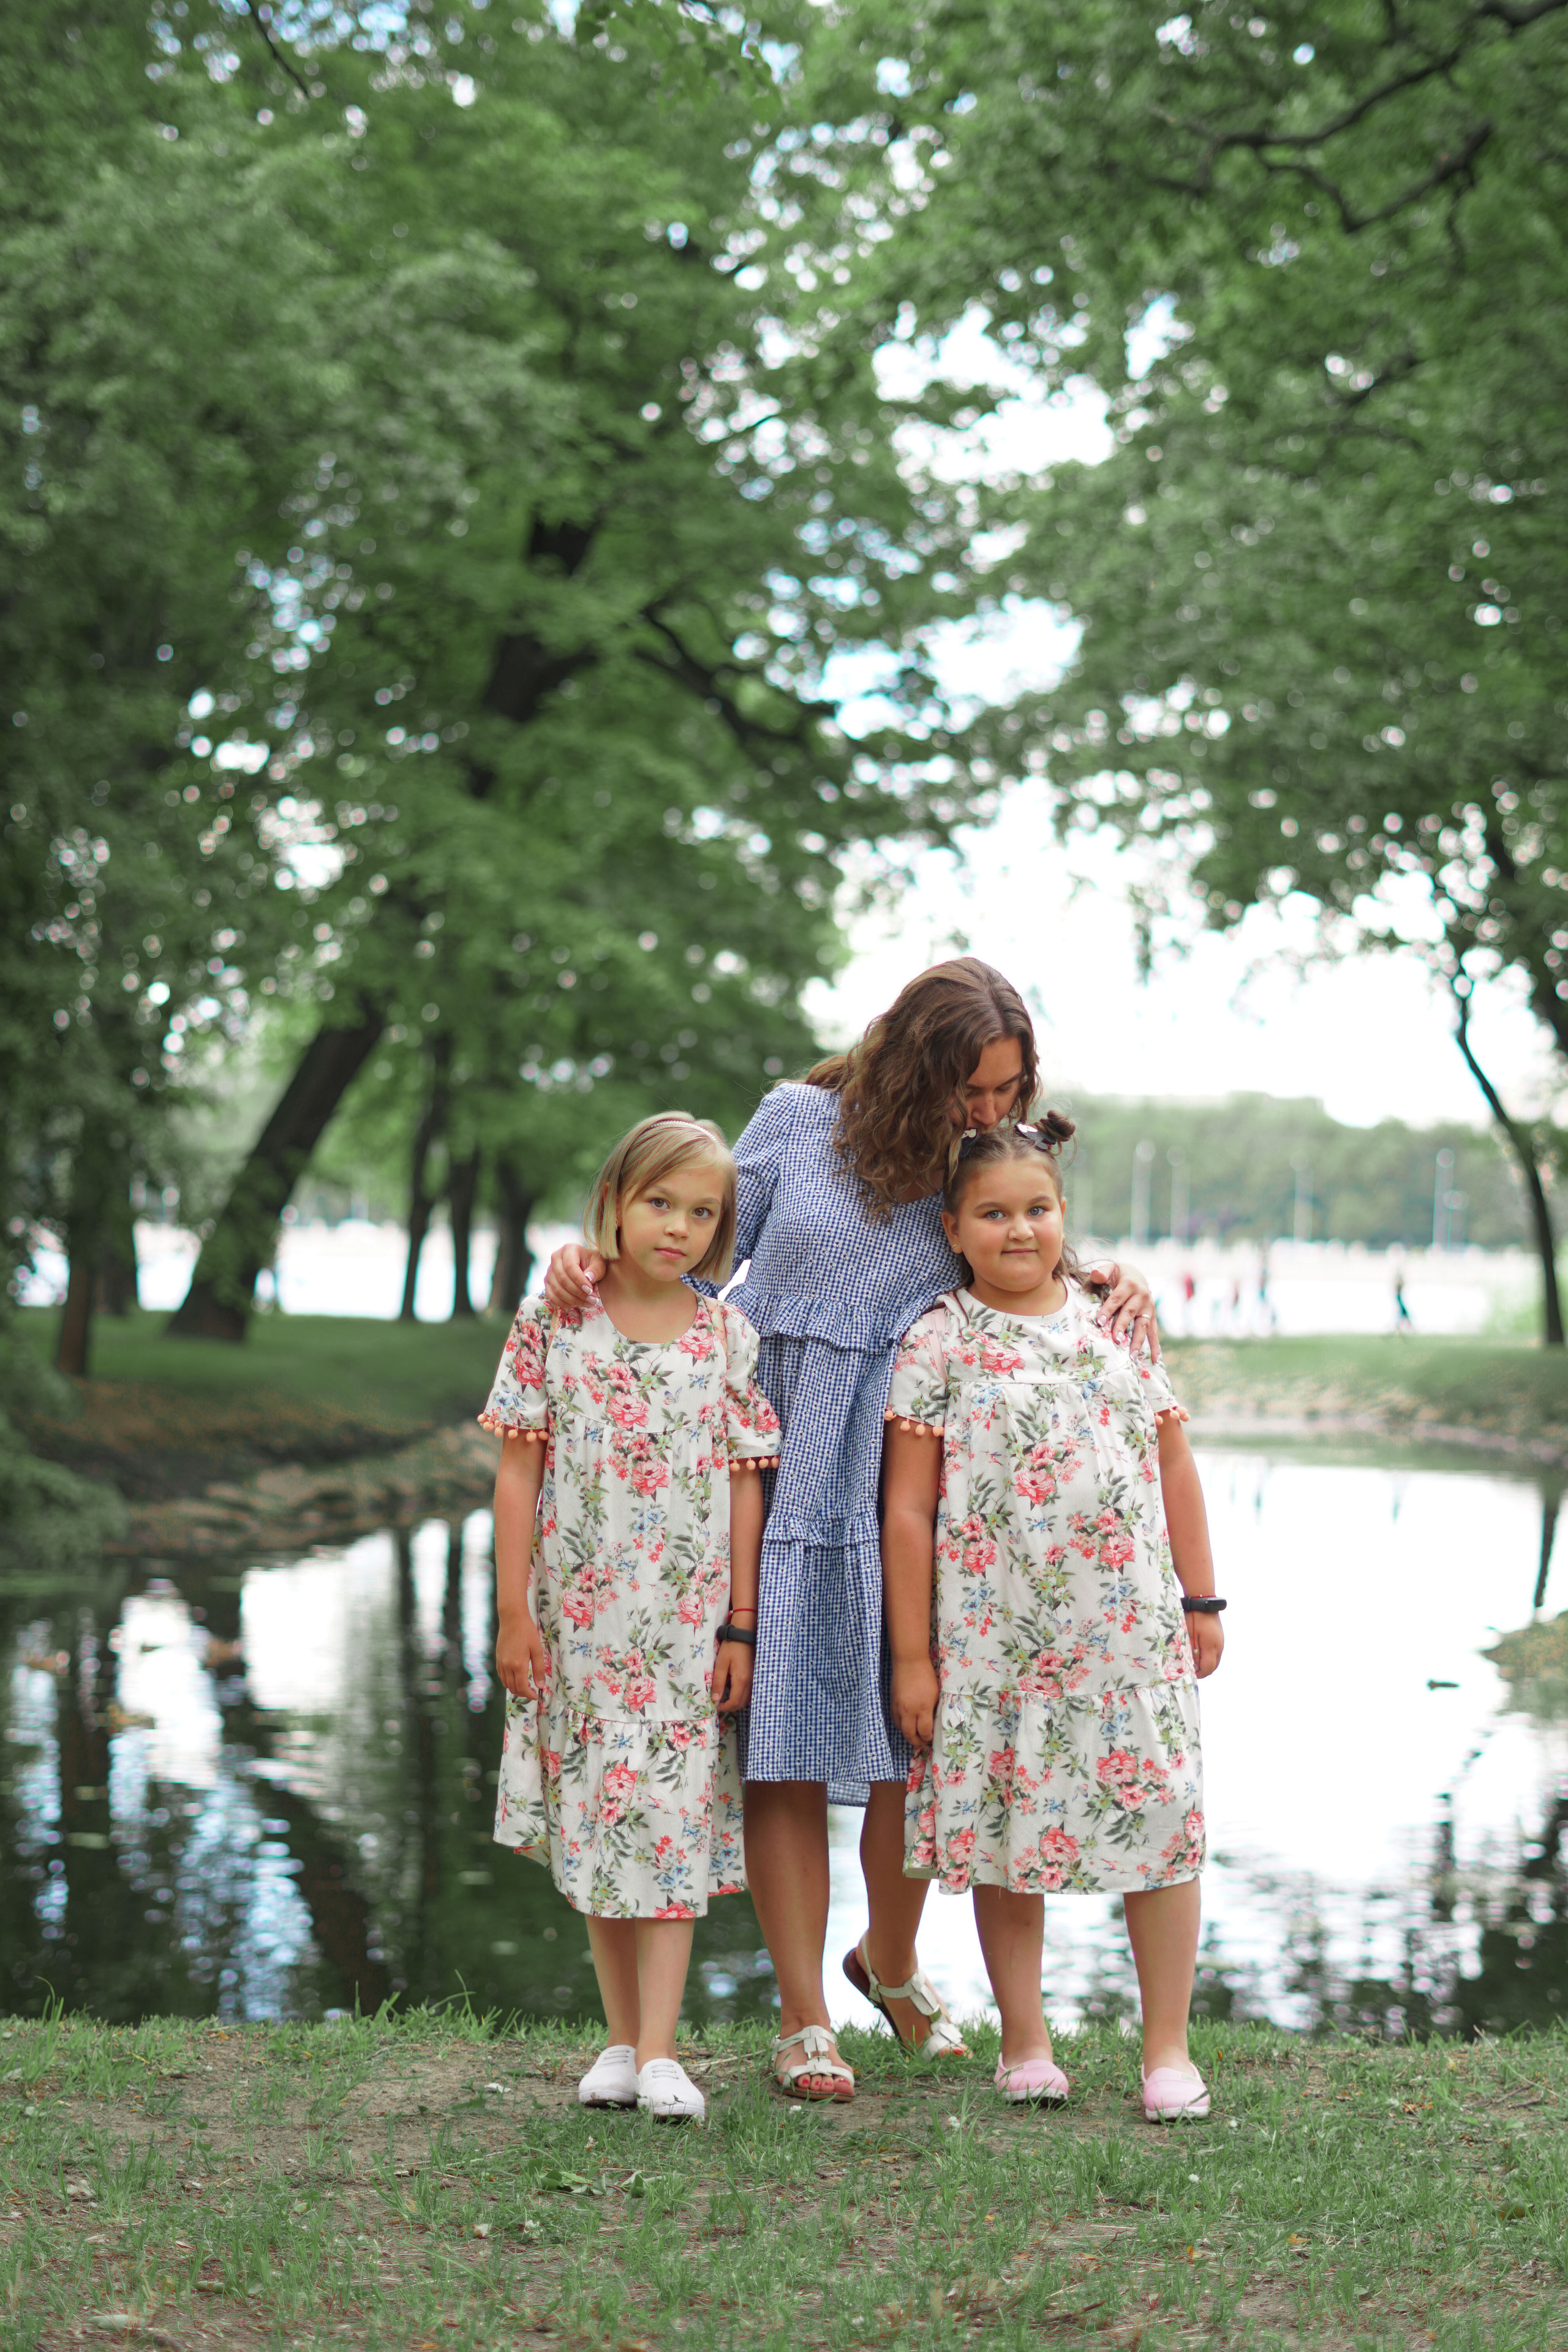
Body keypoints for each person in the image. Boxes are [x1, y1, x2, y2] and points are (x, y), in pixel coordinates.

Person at [543, 958, 1157, 2100]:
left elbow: (1024, 1251)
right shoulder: (795, 1121)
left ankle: (891, 1958)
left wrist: (1114, 1282)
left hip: (919, 1470)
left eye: (1009, 1089)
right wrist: (591, 1259)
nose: (990, 1111)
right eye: (972, 1088)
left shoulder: (978, 1155)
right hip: (778, 1457)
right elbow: (691, 1241)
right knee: (780, 1743)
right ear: (915, 1063)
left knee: (911, 1742)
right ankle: (804, 2018)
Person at [882, 1119, 1224, 2121]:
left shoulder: (1115, 1323)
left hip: (1129, 1632)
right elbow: (906, 1509)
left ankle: (1168, 2051)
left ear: (1064, 1215)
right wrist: (914, 1658)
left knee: (1163, 1822)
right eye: (993, 1213)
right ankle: (1025, 2042)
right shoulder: (938, 1337)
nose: (1019, 1229)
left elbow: (1172, 1463)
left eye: (1037, 1209)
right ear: (954, 1229)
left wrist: (1202, 1599)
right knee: (1007, 1833)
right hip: (996, 1640)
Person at [481, 1112, 782, 2124]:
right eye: (660, 1202)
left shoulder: (726, 1337)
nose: (679, 1227)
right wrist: (512, 1613)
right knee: (599, 1825)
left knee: (668, 1829)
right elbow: (518, 1472)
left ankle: (661, 2051)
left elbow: (744, 1484)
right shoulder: (554, 1320)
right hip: (579, 1628)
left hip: (686, 1632)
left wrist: (741, 1623)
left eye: (702, 1212)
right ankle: (618, 2040)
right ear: (614, 1201)